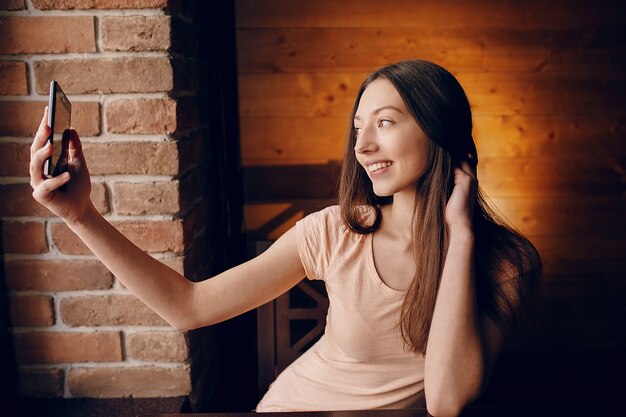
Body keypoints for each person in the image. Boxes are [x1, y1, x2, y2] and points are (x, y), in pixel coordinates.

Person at [29, 60, 540, 417]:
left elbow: (445, 402)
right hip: (295, 410)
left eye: (385, 123)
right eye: (358, 126)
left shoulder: (506, 263)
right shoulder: (336, 230)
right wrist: (81, 216)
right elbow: (190, 305)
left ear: (440, 132)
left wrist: (462, 234)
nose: (362, 145)